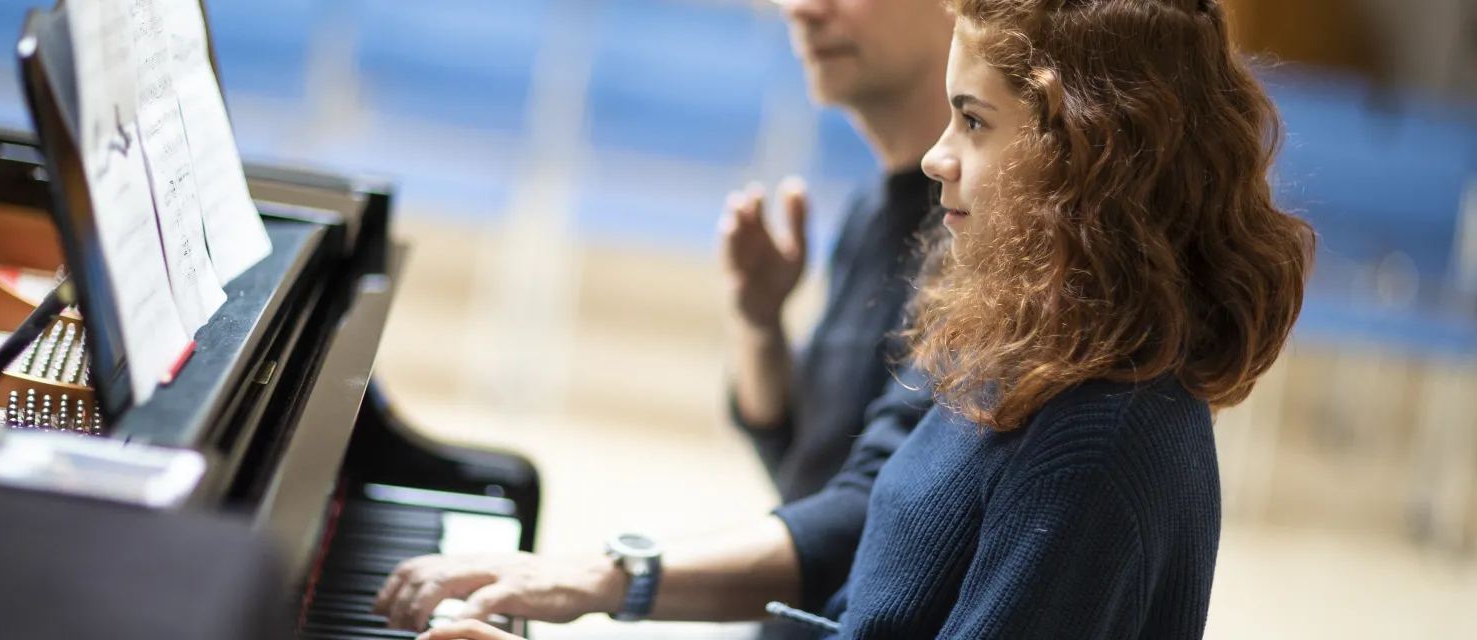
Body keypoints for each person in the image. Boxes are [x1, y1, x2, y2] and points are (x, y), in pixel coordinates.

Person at [381, 0, 1317, 637]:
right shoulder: (1018, 351)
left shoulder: (1101, 437)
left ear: (1090, 158)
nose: (936, 159)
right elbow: (854, 524)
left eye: (975, 122)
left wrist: (610, 581)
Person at [724, 0, 951, 508]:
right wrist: (761, 324)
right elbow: (805, 469)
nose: (799, 9)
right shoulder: (871, 208)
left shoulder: (988, 231)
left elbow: (866, 513)